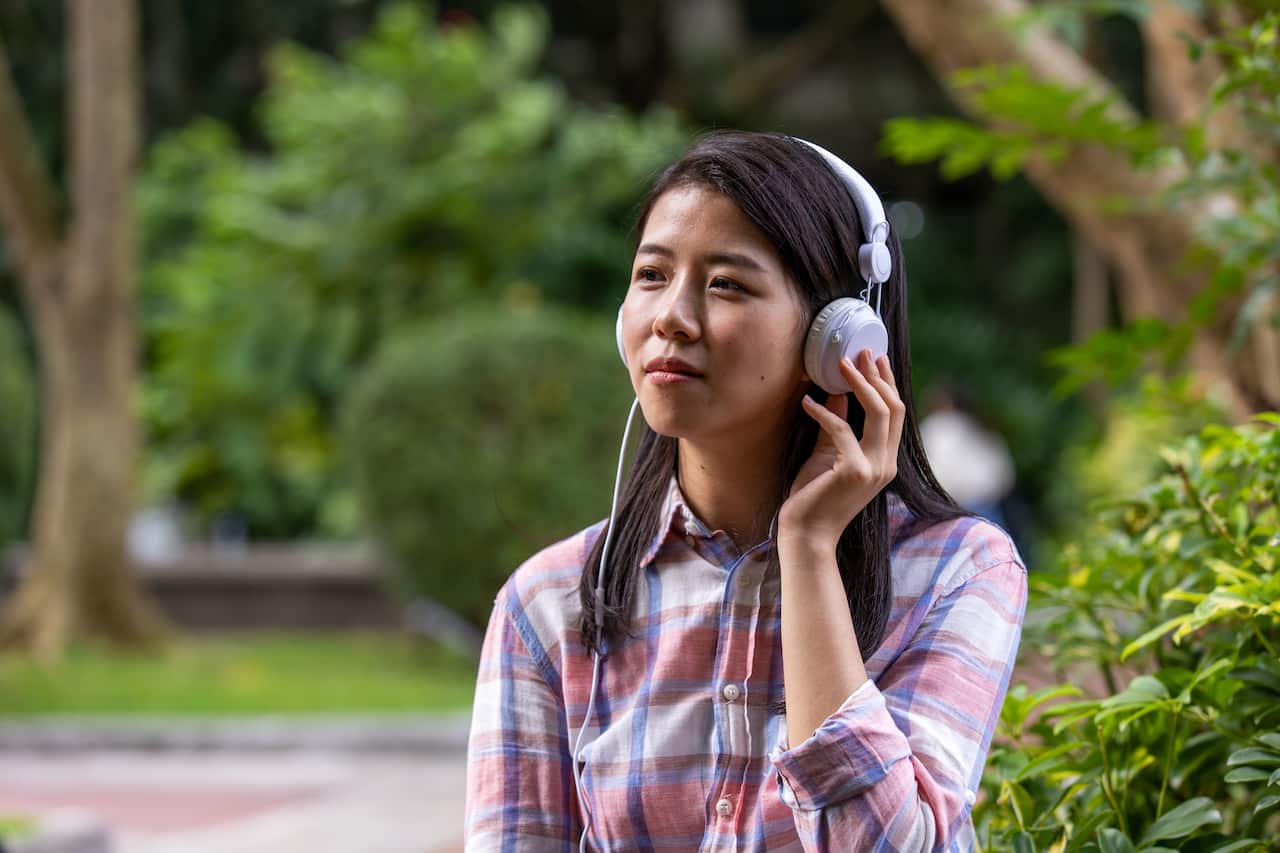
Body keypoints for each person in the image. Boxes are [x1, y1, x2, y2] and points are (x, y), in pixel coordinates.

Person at [464, 130, 1027, 852]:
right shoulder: (547, 604)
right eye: (651, 275)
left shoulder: (961, 570)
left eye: (726, 283)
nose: (671, 315)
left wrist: (809, 548)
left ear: (840, 335)